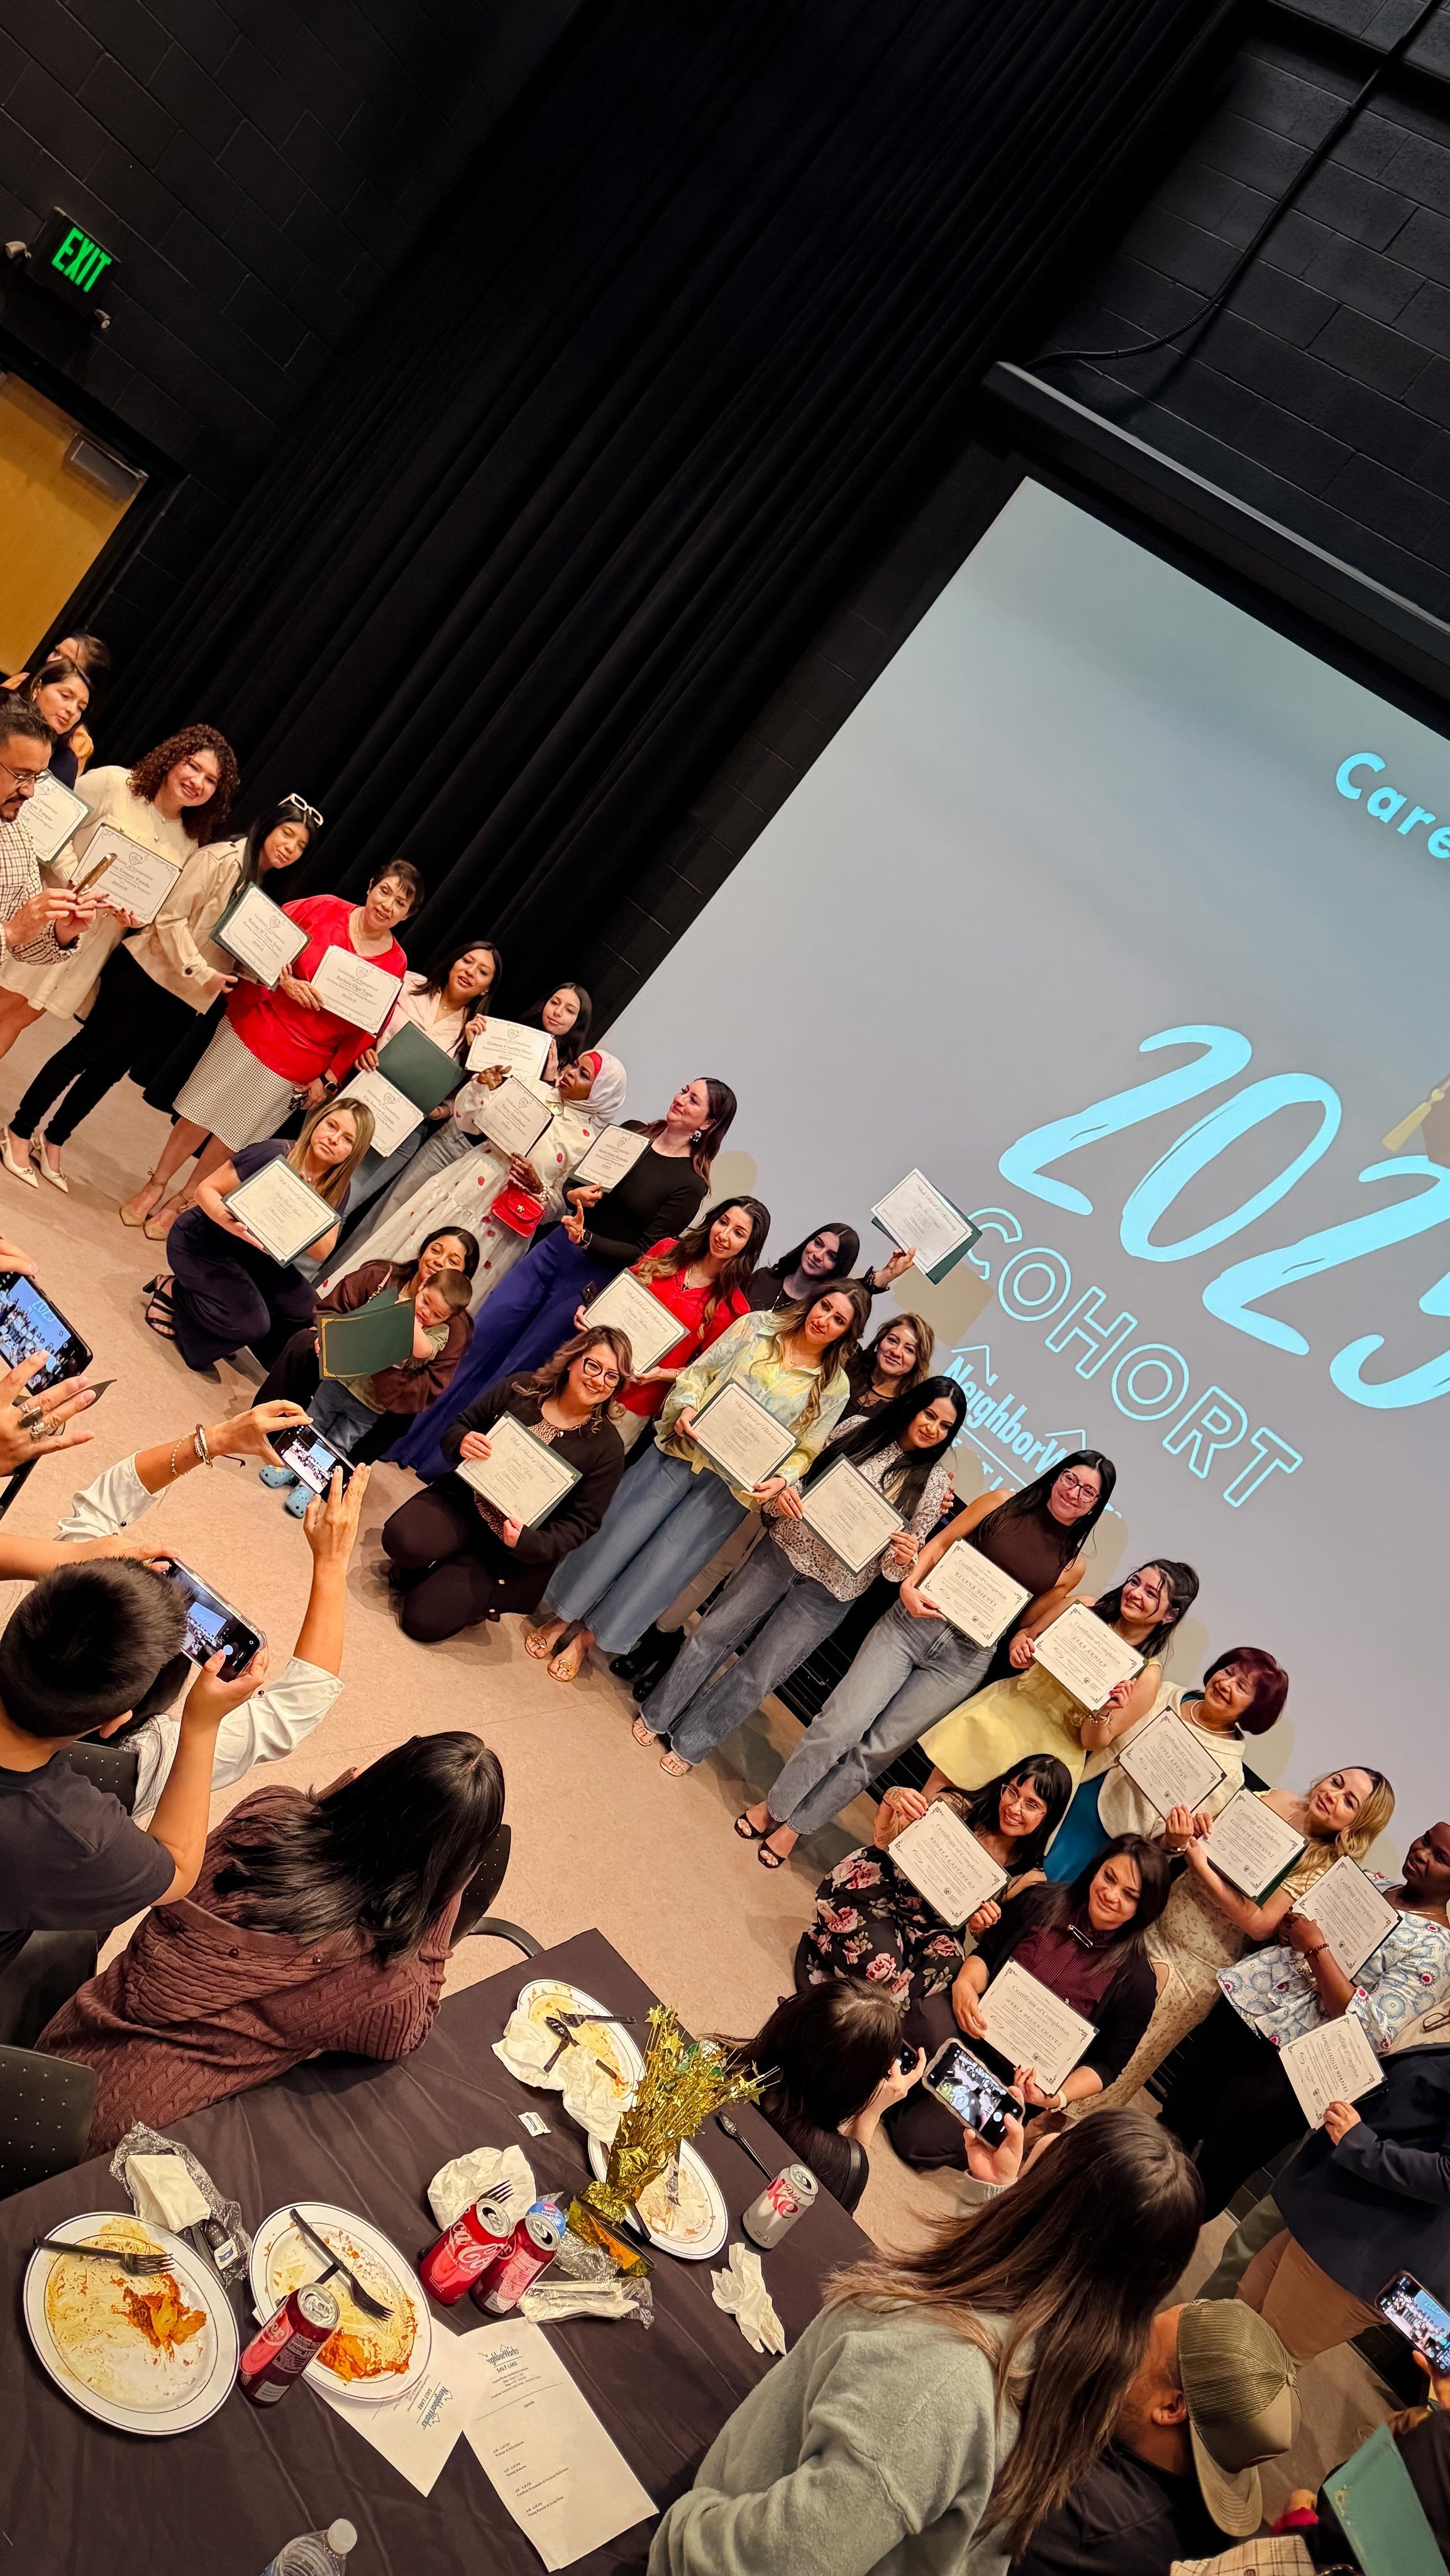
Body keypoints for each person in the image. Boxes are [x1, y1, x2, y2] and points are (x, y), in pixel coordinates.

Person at [648, 2111, 1204, 2575]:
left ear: (1056, 2200)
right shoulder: (1073, 2374)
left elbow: (778, 2561)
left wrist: (683, 2529)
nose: (1047, 2139)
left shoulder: (937, 2383)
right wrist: (996, 2199)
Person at [37, 1729, 506, 2153]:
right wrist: (441, 1898)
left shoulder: (264, 1813)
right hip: (140, 2133)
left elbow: (323, 1835)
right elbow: (405, 2036)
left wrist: (345, 1798)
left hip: (65, 2045)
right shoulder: (383, 1978)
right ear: (454, 1865)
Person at [734, 1448, 1117, 1867]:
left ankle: (796, 1826)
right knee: (838, 1725)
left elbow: (1025, 1623)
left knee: (876, 1751)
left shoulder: (1073, 1566)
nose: (1075, 1493)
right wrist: (910, 1584)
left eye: (1088, 1492)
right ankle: (775, 1806)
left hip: (964, 1659)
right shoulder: (1001, 1502)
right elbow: (940, 1545)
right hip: (912, 1623)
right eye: (1071, 1479)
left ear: (1095, 1505)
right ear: (1056, 1476)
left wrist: (1037, 1635)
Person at [392, 1075, 736, 1478]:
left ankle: (444, 1463)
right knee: (478, 1340)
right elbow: (575, 1181)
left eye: (694, 1101)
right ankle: (405, 1440)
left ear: (708, 1124)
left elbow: (646, 1251)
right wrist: (574, 1197)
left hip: (590, 1279)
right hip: (554, 1250)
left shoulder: (690, 1184)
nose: (681, 1099)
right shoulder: (631, 1133)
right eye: (683, 1091)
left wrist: (589, 1239)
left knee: (517, 1368)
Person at [45, 1398, 365, 1816]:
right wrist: (332, 1562)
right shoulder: (147, 1763)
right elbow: (292, 1711)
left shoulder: (30, 1622)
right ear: (118, 1720)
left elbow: (95, 1512)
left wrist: (213, 1441)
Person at [635, 1378, 965, 1780]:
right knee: (714, 1633)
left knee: (759, 1674)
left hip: (833, 1591)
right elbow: (801, 1477)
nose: (933, 1428)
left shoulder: (933, 1486)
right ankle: (658, 1713)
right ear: (913, 1406)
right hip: (782, 1550)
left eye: (946, 1426)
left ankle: (692, 1743)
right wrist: (786, 1495)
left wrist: (904, 1557)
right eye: (930, 1415)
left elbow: (895, 1571)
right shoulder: (858, 1429)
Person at [533, 1284, 869, 1672]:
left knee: (663, 1566)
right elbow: (699, 1374)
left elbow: (807, 1450)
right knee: (618, 1533)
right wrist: (688, 1407)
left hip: (730, 1490)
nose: (824, 1320)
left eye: (838, 1320)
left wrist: (782, 1479)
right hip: (682, 1450)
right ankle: (562, 1616)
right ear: (814, 1302)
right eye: (825, 1306)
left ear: (847, 1333)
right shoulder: (757, 1326)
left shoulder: (835, 1386)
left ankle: (587, 1641)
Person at [1158, 1788, 1450, 2223]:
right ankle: (1111, 2213)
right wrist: (1291, 1930)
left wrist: (1317, 1949)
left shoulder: (1436, 1950)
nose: (1421, 1853)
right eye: (1425, 1839)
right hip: (1249, 2011)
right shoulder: (1369, 1882)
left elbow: (1370, 2030)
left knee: (1212, 2173)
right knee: (1170, 2125)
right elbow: (1296, 1924)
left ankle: (1151, 2246)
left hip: (1288, 2068)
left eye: (1440, 1857)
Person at [9, 795, 318, 1196]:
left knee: (111, 1070)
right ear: (268, 826)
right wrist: (201, 971)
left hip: (187, 997)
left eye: (300, 845)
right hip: (148, 973)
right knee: (85, 1053)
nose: (290, 848)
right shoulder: (220, 859)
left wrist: (265, 972)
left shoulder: (264, 888)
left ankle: (54, 1139)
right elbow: (170, 918)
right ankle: (19, 1130)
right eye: (286, 834)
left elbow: (229, 946)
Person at [523, 1198, 772, 1679]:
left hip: (632, 1404)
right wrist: (593, 1317)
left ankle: (542, 1589)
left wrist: (662, 1373)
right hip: (582, 1377)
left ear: (750, 1247)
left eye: (739, 1233)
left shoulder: (734, 1309)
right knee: (535, 1462)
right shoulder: (666, 1251)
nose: (725, 1235)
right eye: (724, 1222)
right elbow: (619, 1299)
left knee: (572, 1494)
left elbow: (705, 1371)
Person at [0, 1549, 267, 1972]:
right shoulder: (77, 1836)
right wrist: (201, 1727)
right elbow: (178, 1870)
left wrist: (76, 1565)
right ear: (112, 1723)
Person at [1087, 1751, 1383, 2126]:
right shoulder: (1278, 1798)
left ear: (1358, 1824)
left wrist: (1201, 1865)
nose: (1333, 1795)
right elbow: (1206, 1841)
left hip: (1194, 1965)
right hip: (1151, 1923)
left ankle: (1065, 2139)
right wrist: (1198, 1832)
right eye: (1337, 1782)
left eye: (1349, 1802)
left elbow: (1260, 1925)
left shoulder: (1322, 1862)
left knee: (1122, 2056)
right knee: (1087, 2014)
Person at [131, 860, 421, 1227]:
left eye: (400, 903)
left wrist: (330, 1077)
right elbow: (265, 940)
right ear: (371, 886)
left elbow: (368, 1029)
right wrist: (284, 982)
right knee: (199, 1113)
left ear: (407, 915)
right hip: (254, 1025)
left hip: (301, 1061)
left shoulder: (396, 962)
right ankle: (155, 1185)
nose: (387, 905)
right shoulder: (324, 907)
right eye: (385, 891)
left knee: (234, 1134)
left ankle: (185, 1200)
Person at [886, 1839, 1171, 2169]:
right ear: (1096, 1869)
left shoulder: (1137, 1982)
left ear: (1144, 1908)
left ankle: (946, 2106)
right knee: (920, 2025)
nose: (1111, 1894)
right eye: (1109, 1877)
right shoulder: (1041, 1900)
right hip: (967, 2030)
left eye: (1130, 1895)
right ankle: (919, 2085)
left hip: (1008, 2083)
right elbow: (987, 1954)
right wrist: (965, 1985)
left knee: (914, 2138)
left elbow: (1108, 2065)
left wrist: (1055, 2097)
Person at [0, 722, 238, 1085]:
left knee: (21, 1018)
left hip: (89, 947)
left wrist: (135, 918)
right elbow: (50, 829)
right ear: (173, 757)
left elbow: (155, 904)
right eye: (193, 766)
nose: (197, 782)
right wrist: (79, 880)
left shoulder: (189, 841)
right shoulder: (113, 784)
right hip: (49, 920)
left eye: (210, 780)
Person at [1010, 2300, 1297, 2576]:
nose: (1126, 2339)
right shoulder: (1208, 2526)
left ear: (1171, 2408)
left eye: (1144, 2343)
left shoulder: (1078, 2516)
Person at [380, 1325, 631, 1640]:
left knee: (421, 1622)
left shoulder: (607, 1448)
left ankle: (464, 1591)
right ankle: (421, 1564)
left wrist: (528, 1542)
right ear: (572, 1360)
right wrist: (462, 1442)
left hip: (505, 1552)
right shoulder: (522, 1386)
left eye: (612, 1376)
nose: (599, 1380)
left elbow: (582, 1524)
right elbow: (461, 1425)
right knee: (403, 1541)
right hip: (463, 1504)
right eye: (593, 1366)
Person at [1234, 2009, 1450, 2365]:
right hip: (1337, 2220)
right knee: (1233, 2323)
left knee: (1260, 2360)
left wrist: (1361, 2145)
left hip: (1365, 2249)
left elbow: (1446, 2176)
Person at [340, 1048, 628, 1314]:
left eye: (583, 1075)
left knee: (449, 1287)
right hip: (466, 1183)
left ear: (599, 1095)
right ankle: (347, 1309)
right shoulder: (533, 1089)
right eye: (574, 1065)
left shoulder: (585, 1142)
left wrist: (537, 1188)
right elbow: (467, 1122)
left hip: (502, 1224)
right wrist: (481, 1087)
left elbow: (560, 1206)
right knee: (415, 1249)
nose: (571, 1073)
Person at [917, 1558, 1200, 1819]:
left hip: (1047, 1762)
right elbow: (1025, 1638)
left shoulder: (1146, 1675)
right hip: (997, 1718)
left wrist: (1103, 1711)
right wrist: (1020, 1651)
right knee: (923, 1810)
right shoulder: (1082, 1608)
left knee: (982, 1837)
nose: (1136, 1593)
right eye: (1135, 1582)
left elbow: (1093, 1743)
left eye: (1151, 1594)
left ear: (1169, 1616)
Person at [799, 1755, 1074, 2004]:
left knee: (948, 1965)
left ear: (1048, 1817)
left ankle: (874, 2010)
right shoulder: (956, 1807)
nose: (1014, 1807)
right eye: (1012, 1791)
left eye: (1031, 1805)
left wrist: (980, 1927)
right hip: (885, 1892)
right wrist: (892, 1799)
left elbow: (987, 1939)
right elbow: (884, 1841)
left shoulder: (1028, 1877)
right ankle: (851, 1973)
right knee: (883, 1967)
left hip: (933, 1927)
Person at [145, 1094, 375, 1370]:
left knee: (309, 1313)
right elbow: (205, 1190)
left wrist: (303, 1201)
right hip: (205, 1239)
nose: (334, 1139)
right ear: (317, 1123)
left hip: (257, 1257)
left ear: (354, 1152)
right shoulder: (275, 1153)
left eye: (347, 1139)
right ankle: (173, 1291)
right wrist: (227, 1220)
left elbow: (321, 1252)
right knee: (250, 1324)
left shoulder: (338, 1187)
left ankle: (223, 1323)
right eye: (331, 1126)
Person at [1044, 1644, 1286, 1889]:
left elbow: (1167, 1842)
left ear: (1255, 1709)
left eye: (1241, 1687)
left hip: (1113, 1842)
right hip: (1075, 1790)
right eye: (1228, 1672)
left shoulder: (1230, 1773)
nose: (1226, 1684)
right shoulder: (1167, 1693)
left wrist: (1175, 1840)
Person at [262, 1267, 472, 1513]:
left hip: (369, 1403)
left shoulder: (438, 1332)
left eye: (437, 1314)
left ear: (448, 1319)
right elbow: (356, 1325)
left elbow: (423, 1350)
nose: (427, 1313)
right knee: (311, 1423)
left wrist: (410, 1319)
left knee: (338, 1443)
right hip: (339, 1381)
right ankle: (289, 1466)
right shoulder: (394, 1299)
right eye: (426, 1302)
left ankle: (309, 1484)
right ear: (423, 1286)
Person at [331, 935, 503, 1230]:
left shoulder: (479, 1034)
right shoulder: (408, 985)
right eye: (467, 961)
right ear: (453, 963)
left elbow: (467, 1098)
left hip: (402, 1129)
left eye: (483, 972)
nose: (470, 972)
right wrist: (362, 1049)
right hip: (358, 1098)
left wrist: (439, 1111)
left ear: (486, 988)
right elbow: (365, 1021)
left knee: (340, 1204)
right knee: (307, 1173)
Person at [723, 1980, 926, 2215]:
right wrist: (871, 2113)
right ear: (855, 2087)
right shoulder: (839, 2165)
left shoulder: (720, 2062)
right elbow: (836, 2217)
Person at [255, 1226, 481, 1430]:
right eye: (436, 1250)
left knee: (396, 1420)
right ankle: (263, 1422)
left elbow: (428, 1385)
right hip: (342, 1363)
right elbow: (332, 1309)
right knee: (304, 1342)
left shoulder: (454, 1327)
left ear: (463, 1277)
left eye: (453, 1261)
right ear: (423, 1251)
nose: (439, 1262)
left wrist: (382, 1368)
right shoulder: (382, 1275)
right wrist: (331, 1338)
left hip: (386, 1394)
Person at [0, 702, 99, 966]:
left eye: (37, 777)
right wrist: (8, 934)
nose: (30, 792)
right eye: (21, 776)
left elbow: (23, 946)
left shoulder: (18, 836)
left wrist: (61, 931)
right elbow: (13, 935)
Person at [3, 631, 109, 780]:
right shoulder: (17, 687)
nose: (53, 661)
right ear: (37, 688)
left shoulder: (74, 751)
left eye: (80, 707)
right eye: (56, 652)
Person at [744, 1221, 914, 1311]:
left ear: (839, 1267)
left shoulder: (821, 1309)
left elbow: (854, 1294)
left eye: (831, 1256)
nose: (818, 1256)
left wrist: (887, 1274)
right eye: (818, 1244)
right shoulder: (764, 1277)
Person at [16, 655, 91, 786]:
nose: (72, 710)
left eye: (80, 707)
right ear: (37, 688)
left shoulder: (66, 762)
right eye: (65, 696)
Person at [846, 1312, 935, 1409]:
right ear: (880, 1340)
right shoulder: (848, 1363)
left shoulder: (907, 1408)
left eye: (909, 1350)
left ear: (918, 1362)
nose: (896, 1352)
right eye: (892, 1340)